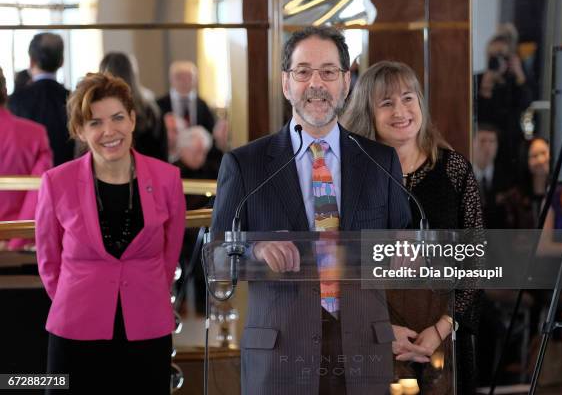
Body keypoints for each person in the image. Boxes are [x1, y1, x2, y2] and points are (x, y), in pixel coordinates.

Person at [211, 26, 411, 394]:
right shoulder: (246, 165)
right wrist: (255, 249)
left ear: (346, 82)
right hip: (280, 354)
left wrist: (402, 252)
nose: (316, 83)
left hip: (362, 350)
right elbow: (218, 255)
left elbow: (403, 246)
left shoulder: (380, 161)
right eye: (303, 71)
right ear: (286, 84)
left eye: (328, 72)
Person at [35, 72, 186, 394]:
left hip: (147, 326)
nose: (109, 131)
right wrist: (75, 297)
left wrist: (149, 294)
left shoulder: (167, 178)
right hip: (75, 327)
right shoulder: (56, 182)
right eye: (94, 123)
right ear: (79, 130)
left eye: (118, 117)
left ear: (132, 119)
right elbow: (49, 262)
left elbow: (170, 254)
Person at [343, 60, 484, 394]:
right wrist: (382, 328)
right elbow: (340, 264)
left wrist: (442, 327)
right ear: (368, 114)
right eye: (387, 103)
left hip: (447, 340)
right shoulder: (350, 177)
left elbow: (477, 259)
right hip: (372, 339)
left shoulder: (454, 170)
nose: (401, 110)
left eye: (408, 98)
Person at [0, 65, 52, 250]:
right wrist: (15, 241)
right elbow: (39, 194)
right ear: (5, 91)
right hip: (24, 246)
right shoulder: (35, 134)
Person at [9, 32, 73, 166]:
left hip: (28, 180)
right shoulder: (74, 99)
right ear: (62, 61)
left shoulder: (15, 101)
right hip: (67, 175)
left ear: (31, 61)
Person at [476, 32, 533, 175]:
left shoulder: (514, 82)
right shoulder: (478, 80)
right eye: (492, 56)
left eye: (501, 55)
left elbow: (526, 103)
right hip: (485, 146)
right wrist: (485, 88)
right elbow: (475, 112)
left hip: (509, 146)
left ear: (509, 59)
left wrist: (519, 74)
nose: (496, 60)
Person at [157, 61, 224, 175]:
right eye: (179, 77)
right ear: (171, 79)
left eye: (189, 77)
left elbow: (210, 133)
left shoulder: (203, 105)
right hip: (168, 162)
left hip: (199, 166)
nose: (184, 81)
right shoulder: (159, 105)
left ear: (196, 79)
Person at [99, 52, 168, 161]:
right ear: (133, 74)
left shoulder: (98, 112)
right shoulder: (151, 110)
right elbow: (162, 154)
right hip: (150, 173)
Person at [473, 123, 513, 228]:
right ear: (472, 143)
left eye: (492, 141)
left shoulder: (508, 177)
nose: (487, 147)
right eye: (482, 141)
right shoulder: (463, 175)